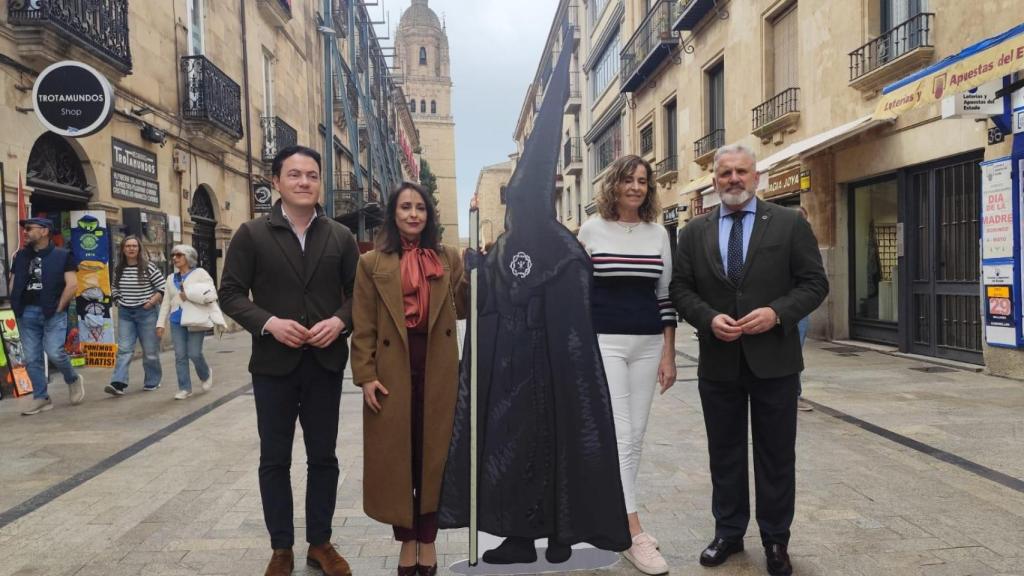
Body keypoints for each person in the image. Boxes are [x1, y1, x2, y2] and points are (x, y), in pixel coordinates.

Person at [669, 144, 828, 576]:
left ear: (756, 178)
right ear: (714, 180)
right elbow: (681, 289)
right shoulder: (693, 232)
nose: (734, 179)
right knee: (725, 452)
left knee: (777, 455)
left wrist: (777, 312)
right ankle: (729, 532)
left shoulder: (789, 223)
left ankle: (776, 540)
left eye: (741, 171)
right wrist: (706, 317)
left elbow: (814, 283)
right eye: (725, 173)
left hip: (775, 361)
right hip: (718, 362)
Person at [219, 145, 359, 576]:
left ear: (320, 183)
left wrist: (339, 321)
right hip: (273, 367)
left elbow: (360, 297)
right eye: (295, 175)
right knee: (274, 459)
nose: (304, 182)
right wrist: (268, 323)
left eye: (312, 176)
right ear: (276, 181)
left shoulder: (340, 236)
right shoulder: (252, 234)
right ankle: (281, 548)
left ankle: (320, 542)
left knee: (324, 457)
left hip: (324, 365)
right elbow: (231, 294)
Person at [351, 182, 466, 576]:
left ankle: (428, 540)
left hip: (438, 367)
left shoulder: (449, 258)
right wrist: (365, 375)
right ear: (393, 213)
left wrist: (486, 270)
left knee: (433, 456)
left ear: (429, 214)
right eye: (405, 207)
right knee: (400, 458)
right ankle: (407, 542)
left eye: (420, 207)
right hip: (392, 369)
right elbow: (363, 324)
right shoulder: (371, 263)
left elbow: (467, 308)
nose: (413, 214)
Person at [577, 154, 676, 576]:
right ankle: (633, 532)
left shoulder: (658, 234)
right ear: (613, 184)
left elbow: (665, 295)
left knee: (635, 435)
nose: (636, 187)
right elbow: (577, 292)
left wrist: (669, 352)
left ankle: (618, 519)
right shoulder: (591, 230)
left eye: (642, 180)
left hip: (649, 342)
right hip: (606, 342)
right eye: (629, 180)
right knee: (619, 435)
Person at [10, 217, 84, 416]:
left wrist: (60, 307)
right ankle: (41, 397)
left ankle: (73, 379)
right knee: (32, 358)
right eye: (25, 229)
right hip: (26, 313)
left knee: (54, 352)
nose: (25, 232)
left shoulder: (63, 255)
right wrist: (15, 305)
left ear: (44, 231)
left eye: (29, 228)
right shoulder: (20, 256)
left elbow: (72, 284)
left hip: (52, 312)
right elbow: (14, 281)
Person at [105, 235, 165, 395]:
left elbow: (162, 288)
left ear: (139, 249)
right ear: (123, 249)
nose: (131, 249)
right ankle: (118, 383)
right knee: (124, 349)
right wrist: (117, 300)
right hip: (126, 313)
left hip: (146, 313)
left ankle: (153, 381)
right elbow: (114, 287)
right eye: (128, 246)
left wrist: (151, 302)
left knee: (150, 350)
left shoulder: (148, 267)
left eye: (134, 246)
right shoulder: (118, 268)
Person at [156, 245, 215, 400]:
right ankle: (184, 388)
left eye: (179, 255)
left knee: (194, 353)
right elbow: (166, 303)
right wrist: (160, 324)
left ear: (188, 257)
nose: (174, 258)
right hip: (176, 320)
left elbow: (210, 293)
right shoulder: (170, 278)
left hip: (196, 318)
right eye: (173, 255)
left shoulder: (200, 273)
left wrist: (188, 295)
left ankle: (206, 373)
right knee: (180, 355)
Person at [795, 207, 813, 413]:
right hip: (784, 309)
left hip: (799, 309)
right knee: (793, 351)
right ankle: (793, 394)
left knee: (794, 351)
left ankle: (793, 394)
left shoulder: (806, 245)